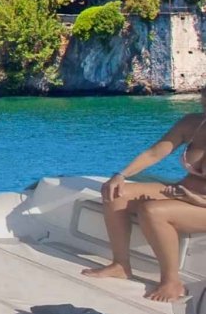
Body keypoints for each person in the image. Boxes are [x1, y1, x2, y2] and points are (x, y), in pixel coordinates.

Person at [80, 93, 206, 302]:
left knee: (152, 210)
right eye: (204, 92)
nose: (204, 98)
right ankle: (120, 264)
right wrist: (121, 175)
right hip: (183, 191)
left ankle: (171, 281)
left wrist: (198, 200)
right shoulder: (193, 123)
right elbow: (154, 153)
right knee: (115, 194)